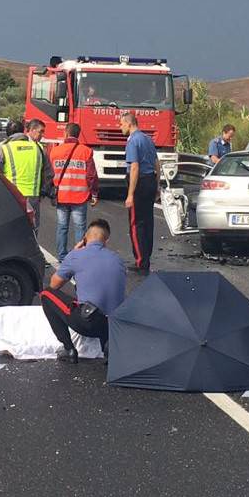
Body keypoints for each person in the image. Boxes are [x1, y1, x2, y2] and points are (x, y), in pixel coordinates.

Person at [40, 219, 126, 363]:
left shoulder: (76, 255)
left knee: (46, 294)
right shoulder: (118, 259)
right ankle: (107, 346)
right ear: (106, 241)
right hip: (113, 325)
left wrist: (72, 254)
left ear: (85, 238)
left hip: (88, 322)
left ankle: (69, 349)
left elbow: (54, 285)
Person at [0, 119, 52, 232]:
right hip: (33, 197)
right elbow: (48, 173)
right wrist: (43, 191)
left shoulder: (3, 148)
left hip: (11, 196)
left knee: (10, 230)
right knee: (32, 229)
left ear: (8, 134)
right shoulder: (38, 148)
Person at [49, 122, 99, 260]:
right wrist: (94, 193)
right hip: (80, 196)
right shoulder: (86, 151)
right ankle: (79, 256)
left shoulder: (55, 151)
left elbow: (49, 173)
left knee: (62, 227)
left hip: (61, 196)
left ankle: (62, 255)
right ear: (78, 134)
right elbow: (91, 175)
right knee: (80, 228)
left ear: (66, 133)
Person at [120, 111, 158, 274]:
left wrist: (130, 194)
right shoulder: (147, 139)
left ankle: (141, 261)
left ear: (129, 124)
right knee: (148, 222)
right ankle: (146, 257)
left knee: (136, 224)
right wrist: (157, 185)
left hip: (140, 182)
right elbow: (157, 163)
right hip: (150, 180)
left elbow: (134, 167)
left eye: (121, 124)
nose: (120, 127)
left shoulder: (133, 141)